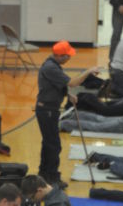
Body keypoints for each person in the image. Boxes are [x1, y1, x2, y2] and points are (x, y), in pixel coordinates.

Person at [36, 39, 99, 187]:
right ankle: (52, 177)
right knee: (54, 145)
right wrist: (88, 71)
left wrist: (68, 95)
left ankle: (44, 174)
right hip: (47, 110)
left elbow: (57, 86)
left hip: (48, 109)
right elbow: (72, 83)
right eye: (67, 56)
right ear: (60, 56)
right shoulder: (51, 68)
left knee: (48, 143)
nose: (69, 58)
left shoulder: (53, 65)